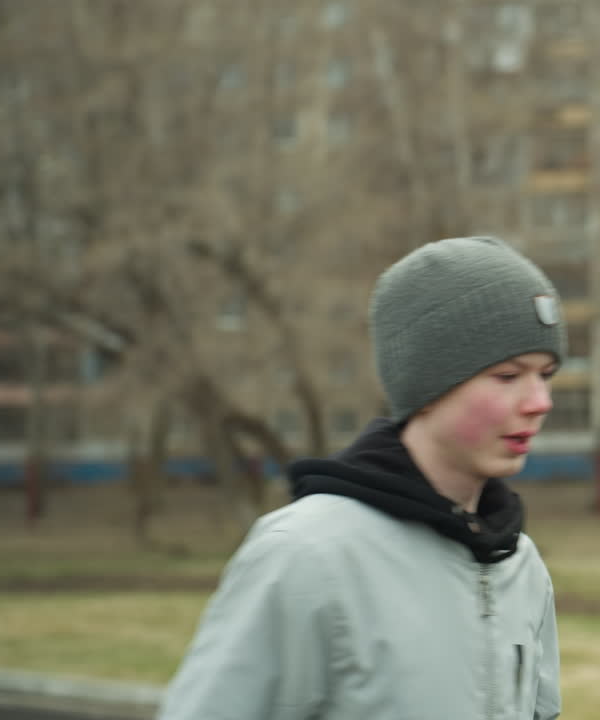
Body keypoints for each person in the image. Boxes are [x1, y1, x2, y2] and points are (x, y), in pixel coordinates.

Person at [159, 236, 565, 720]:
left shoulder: (520, 565)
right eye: (508, 375)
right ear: (429, 386)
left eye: (546, 374)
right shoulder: (303, 557)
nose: (540, 401)